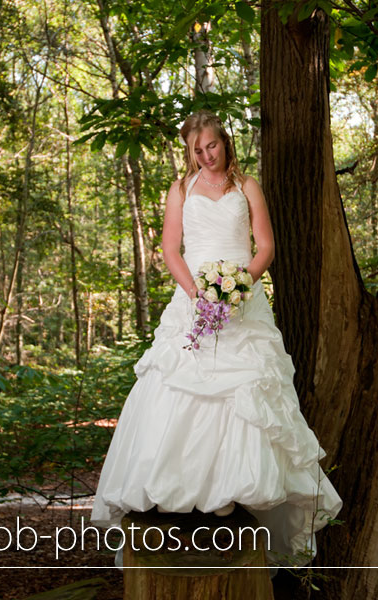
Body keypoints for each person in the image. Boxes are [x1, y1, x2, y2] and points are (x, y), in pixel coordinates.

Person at [90, 110, 343, 571]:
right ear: (189, 152)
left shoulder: (248, 187)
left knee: (248, 392)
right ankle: (179, 498)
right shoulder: (179, 191)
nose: (206, 155)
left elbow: (264, 246)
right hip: (192, 299)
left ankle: (237, 499)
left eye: (212, 145)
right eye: (197, 150)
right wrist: (198, 297)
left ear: (224, 142)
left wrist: (237, 288)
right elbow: (171, 248)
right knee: (177, 386)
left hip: (243, 301)